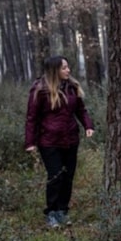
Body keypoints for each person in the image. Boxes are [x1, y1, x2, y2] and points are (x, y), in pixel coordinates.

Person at [25, 55, 95, 228]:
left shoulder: (71, 87)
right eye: (64, 68)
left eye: (68, 67)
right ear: (54, 70)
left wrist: (88, 125)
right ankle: (51, 213)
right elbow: (32, 118)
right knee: (55, 176)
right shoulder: (40, 89)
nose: (68, 70)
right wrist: (30, 142)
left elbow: (81, 109)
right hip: (49, 141)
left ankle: (62, 211)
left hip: (71, 139)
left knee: (68, 176)